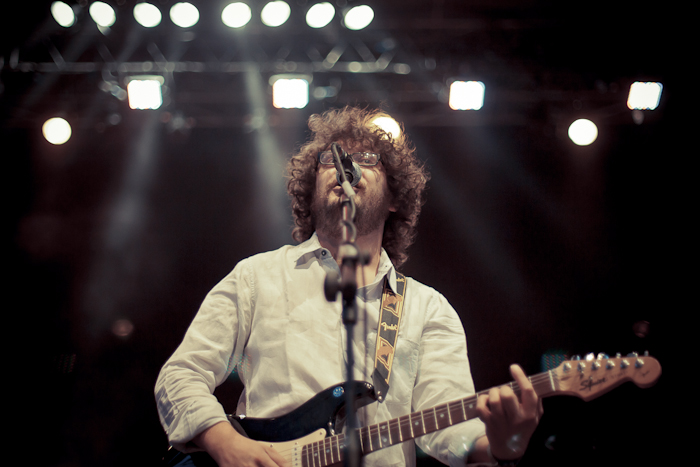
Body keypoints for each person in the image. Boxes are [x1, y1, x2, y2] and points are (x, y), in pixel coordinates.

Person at [155, 107, 541, 467]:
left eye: (368, 159)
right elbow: (181, 375)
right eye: (332, 158)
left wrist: (502, 445)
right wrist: (225, 442)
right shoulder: (256, 277)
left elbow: (449, 428)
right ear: (311, 189)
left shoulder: (428, 309)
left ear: (395, 198)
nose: (347, 166)